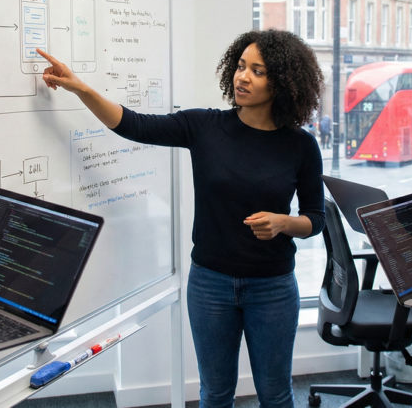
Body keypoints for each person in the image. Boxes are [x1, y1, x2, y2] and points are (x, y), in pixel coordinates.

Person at [35, 28, 326, 408]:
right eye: (240, 66)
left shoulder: (300, 145)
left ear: (284, 82)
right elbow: (134, 124)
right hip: (210, 285)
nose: (243, 77)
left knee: (275, 394)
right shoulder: (205, 127)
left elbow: (315, 218)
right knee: (215, 394)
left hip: (272, 288)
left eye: (258, 71)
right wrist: (80, 89)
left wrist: (284, 223)